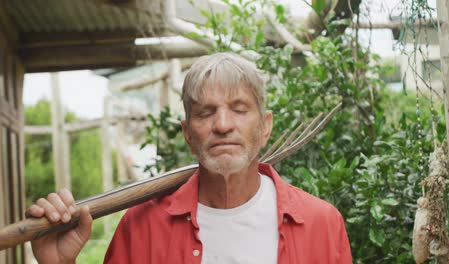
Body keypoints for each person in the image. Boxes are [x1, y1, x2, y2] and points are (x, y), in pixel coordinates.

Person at [28, 53, 352, 263]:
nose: (223, 125)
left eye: (239, 110)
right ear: (188, 132)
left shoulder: (321, 224)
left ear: (265, 127)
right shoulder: (142, 229)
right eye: (205, 112)